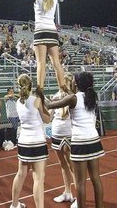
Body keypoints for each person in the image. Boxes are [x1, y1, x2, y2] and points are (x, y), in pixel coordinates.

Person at [11, 0, 70, 99]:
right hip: (52, 31)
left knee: (41, 63)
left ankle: (40, 90)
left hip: (40, 31)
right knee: (56, 62)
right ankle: (63, 88)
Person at [47, 72, 104, 208]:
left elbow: (49, 105)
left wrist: (37, 96)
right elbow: (74, 95)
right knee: (96, 178)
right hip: (94, 140)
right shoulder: (91, 96)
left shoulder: (73, 98)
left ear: (76, 84)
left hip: (80, 142)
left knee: (80, 183)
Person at [10, 74, 51, 208]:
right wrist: (49, 107)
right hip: (37, 140)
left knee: (21, 174)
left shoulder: (18, 102)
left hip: (23, 141)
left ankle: (14, 204)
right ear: (31, 84)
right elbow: (46, 119)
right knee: (38, 178)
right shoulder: (36, 100)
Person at [49, 72, 76, 204]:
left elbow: (65, 114)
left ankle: (79, 195)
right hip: (56, 132)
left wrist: (56, 102)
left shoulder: (72, 97)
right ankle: (67, 192)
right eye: (61, 82)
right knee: (62, 164)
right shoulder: (56, 96)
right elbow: (48, 118)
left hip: (68, 133)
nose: (62, 85)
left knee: (72, 165)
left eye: (65, 82)